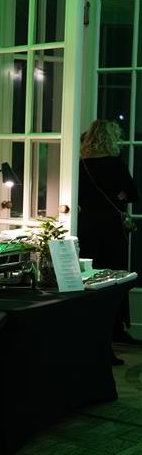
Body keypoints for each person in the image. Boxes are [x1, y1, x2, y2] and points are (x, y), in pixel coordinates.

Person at [78, 119, 140, 363]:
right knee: (115, 279)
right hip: (112, 228)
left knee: (93, 279)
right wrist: (119, 195)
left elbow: (81, 196)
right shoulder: (115, 164)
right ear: (110, 139)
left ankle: (96, 331)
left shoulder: (81, 165)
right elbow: (133, 193)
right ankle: (115, 329)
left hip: (87, 227)